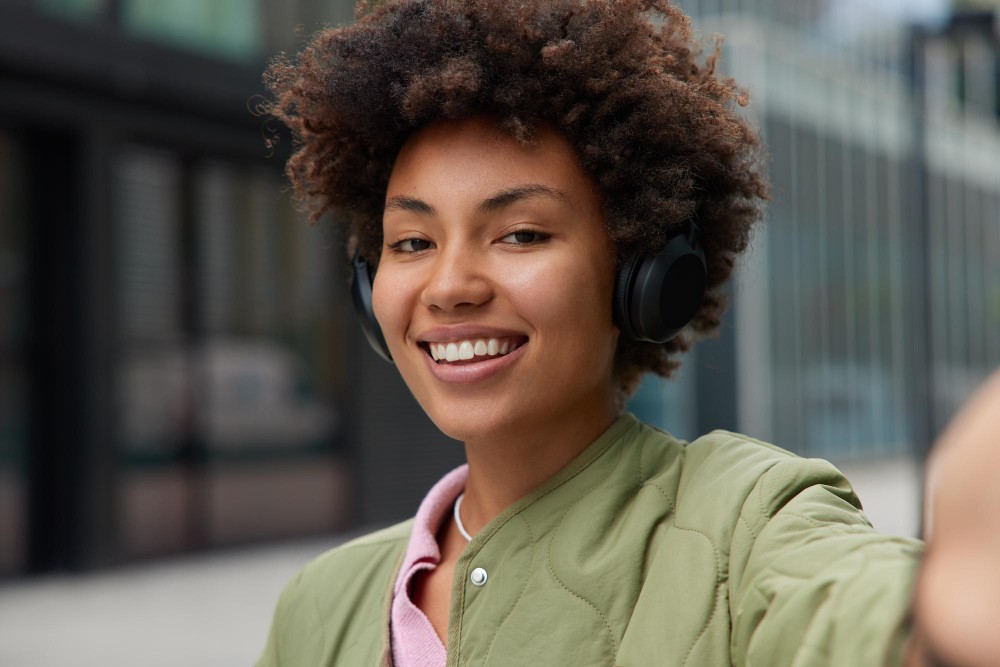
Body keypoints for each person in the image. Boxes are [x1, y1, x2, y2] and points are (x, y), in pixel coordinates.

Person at [257, 1, 999, 665]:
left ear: (641, 272)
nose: (449, 287)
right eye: (412, 242)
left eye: (518, 233)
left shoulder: (746, 527)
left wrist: (947, 610)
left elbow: (868, 616)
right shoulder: (323, 604)